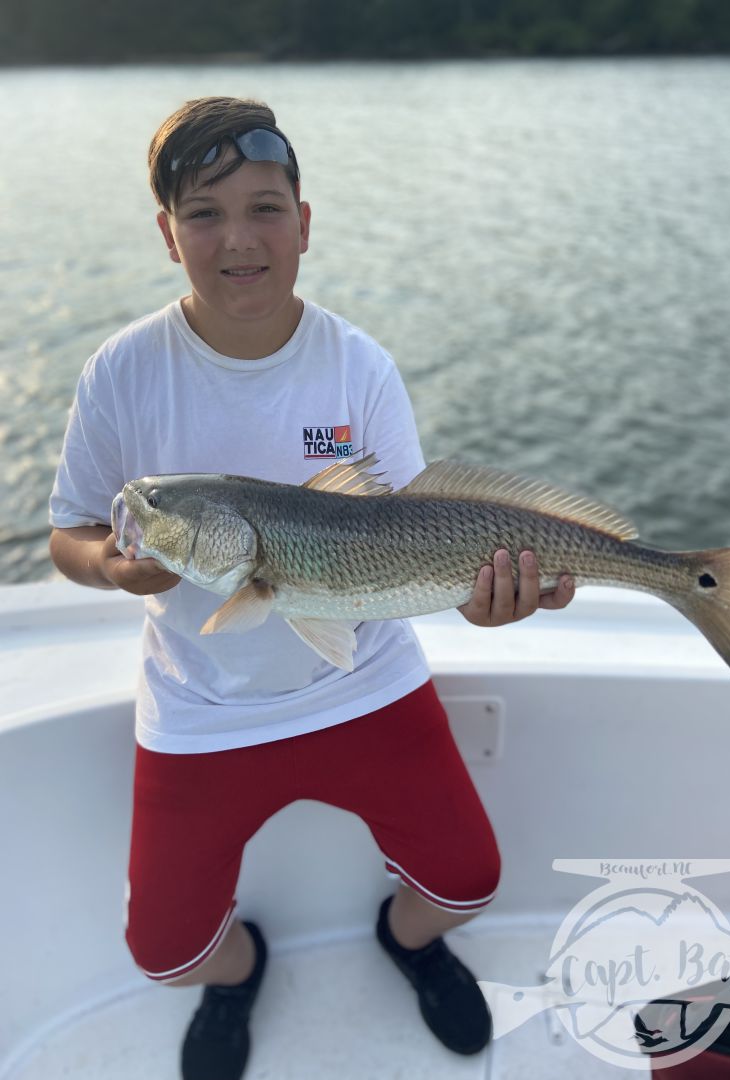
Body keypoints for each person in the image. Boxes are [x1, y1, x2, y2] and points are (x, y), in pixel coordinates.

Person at [48, 96, 575, 1080]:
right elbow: (73, 532)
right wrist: (115, 567)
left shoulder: (357, 366)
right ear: (169, 235)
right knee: (166, 957)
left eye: (264, 208)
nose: (238, 239)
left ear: (305, 221)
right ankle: (239, 974)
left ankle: (406, 940)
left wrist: (482, 595)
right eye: (203, 213)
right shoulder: (120, 374)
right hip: (202, 706)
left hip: (362, 679)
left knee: (468, 885)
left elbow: (410, 536)